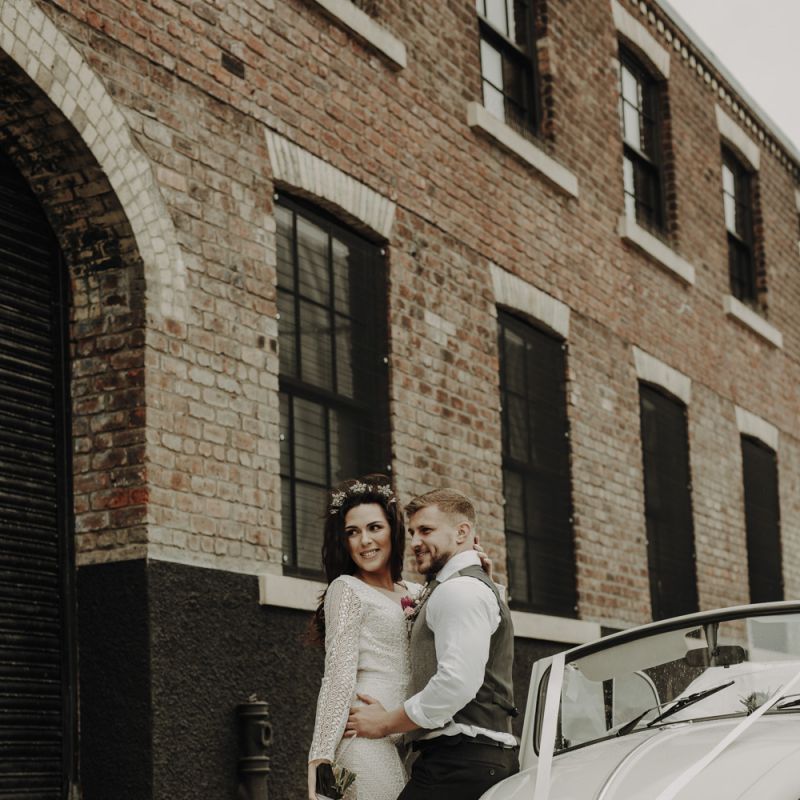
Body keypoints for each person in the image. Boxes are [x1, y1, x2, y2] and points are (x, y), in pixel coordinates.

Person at [346, 488, 519, 800]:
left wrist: (386, 722)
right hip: (469, 758)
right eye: (412, 532)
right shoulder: (468, 586)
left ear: (462, 532)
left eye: (426, 530)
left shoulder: (461, 591)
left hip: (460, 760)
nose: (414, 542)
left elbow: (456, 683)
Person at [307, 475, 421, 800]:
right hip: (364, 739)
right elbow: (338, 679)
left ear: (392, 530)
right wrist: (320, 763)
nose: (364, 541)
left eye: (374, 527)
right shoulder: (347, 589)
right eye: (352, 533)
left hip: (408, 734)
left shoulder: (416, 592)